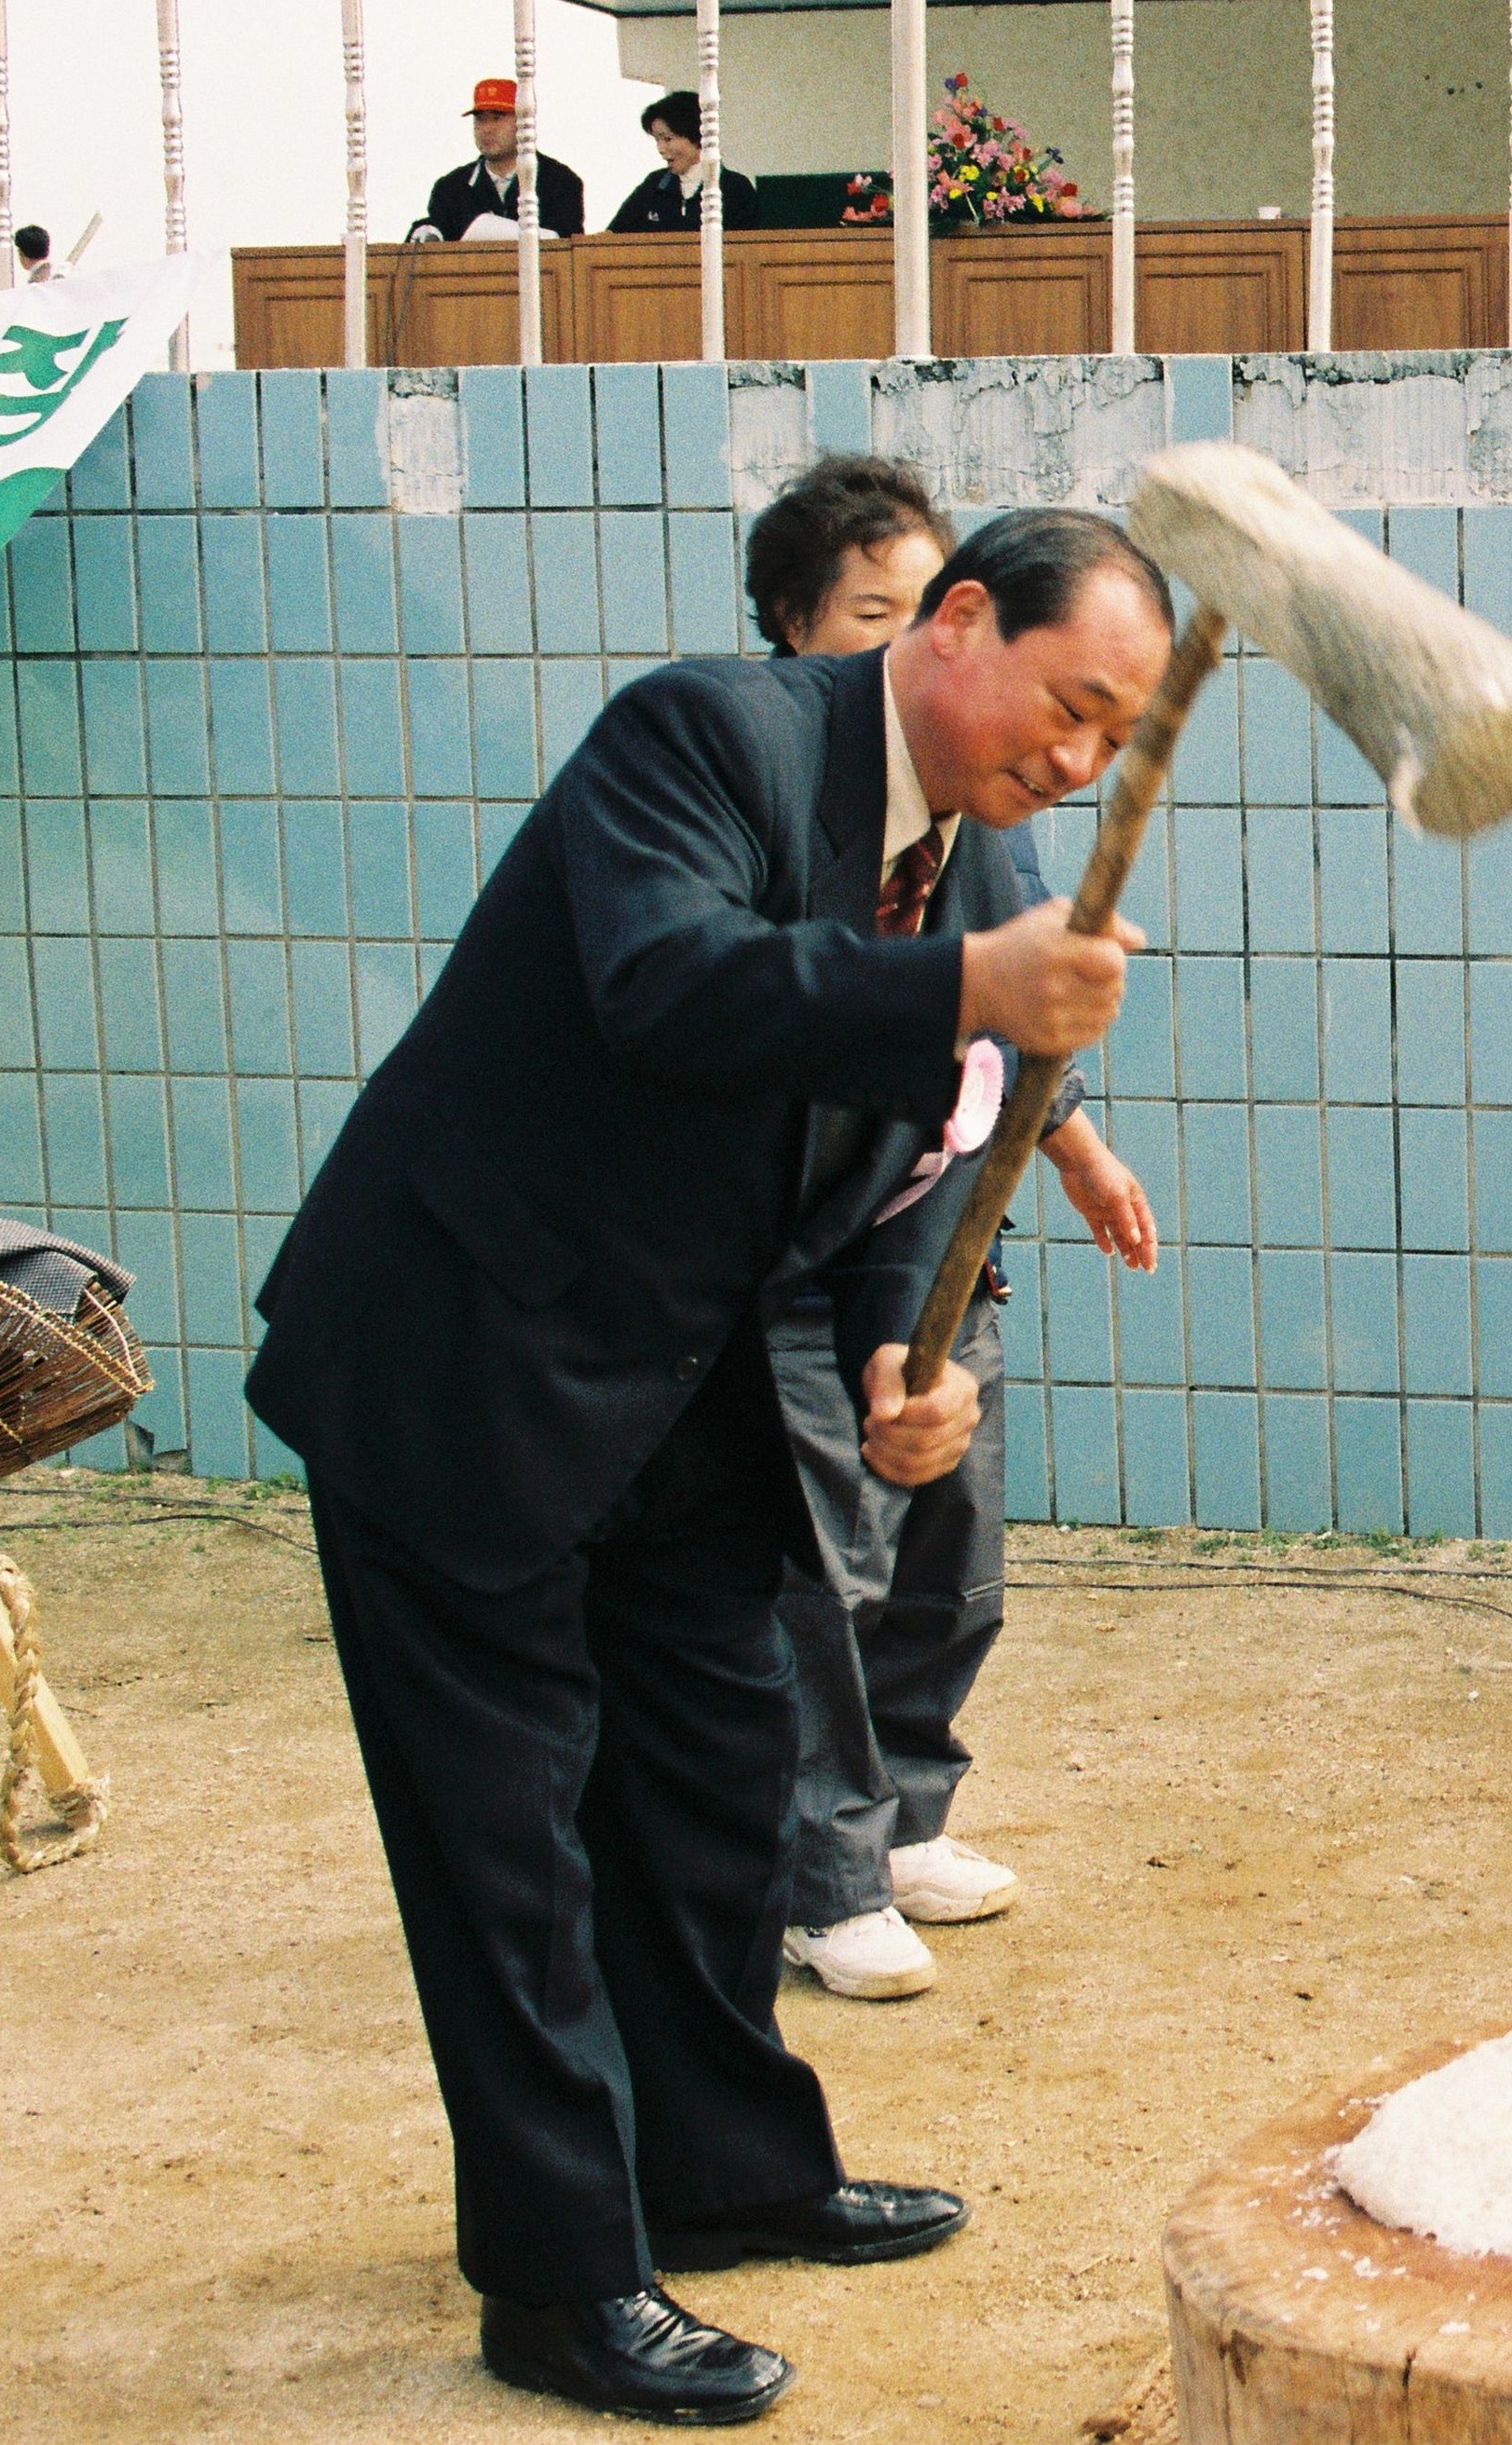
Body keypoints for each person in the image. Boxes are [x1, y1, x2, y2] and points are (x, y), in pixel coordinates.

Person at [247, 507, 1168, 2425]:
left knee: (717, 1769)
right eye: (1069, 708)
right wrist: (963, 990)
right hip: (465, 1353)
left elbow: (898, 1152)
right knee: (511, 1840)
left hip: (682, 1363)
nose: (1078, 766)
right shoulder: (706, 736)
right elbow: (674, 986)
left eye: (1116, 742)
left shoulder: (984, 850)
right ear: (959, 621)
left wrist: (902, 1357)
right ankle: (567, 2277)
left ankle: (732, 2166)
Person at [742, 457, 1160, 2002]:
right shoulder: (762, 785)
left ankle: (905, 1813)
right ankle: (824, 1867)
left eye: (1107, 733)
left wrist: (1078, 1148)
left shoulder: (984, 808)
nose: (1072, 757)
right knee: (822, 1576)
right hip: (791, 1272)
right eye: (874, 613)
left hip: (936, 1251)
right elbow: (838, 1024)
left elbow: (1000, 1043)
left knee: (947, 1563)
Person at [421, 77, 587, 243]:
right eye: (480, 119)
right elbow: (432, 237)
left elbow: (570, 253)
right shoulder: (451, 189)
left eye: (497, 118)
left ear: (523, 121)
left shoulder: (560, 183)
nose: (487, 129)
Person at [613, 88, 761, 235]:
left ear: (697, 136)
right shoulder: (654, 184)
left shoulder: (735, 188)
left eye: (667, 139)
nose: (661, 149)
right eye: (657, 139)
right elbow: (612, 236)